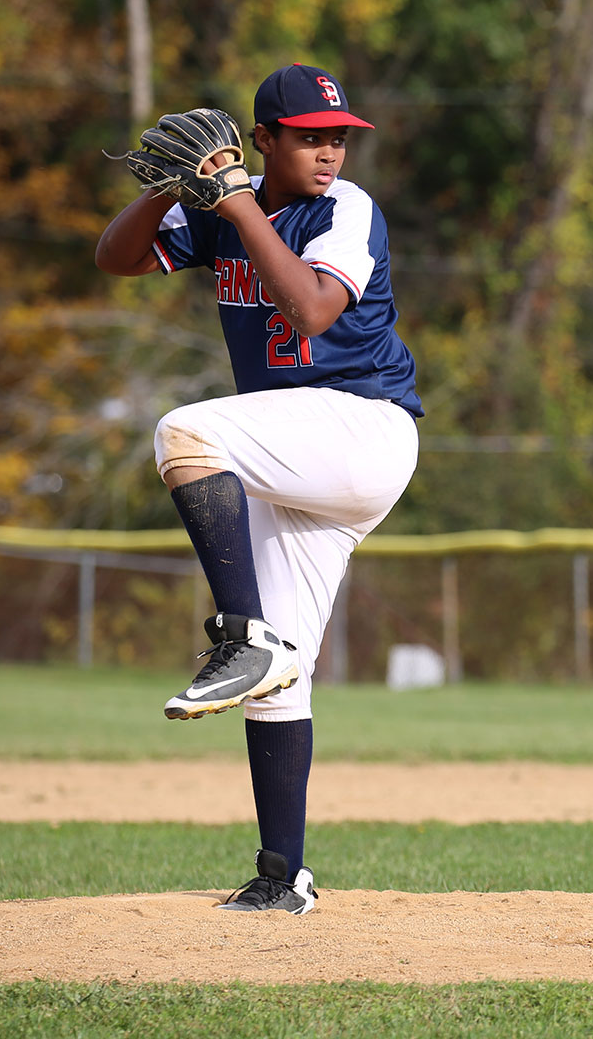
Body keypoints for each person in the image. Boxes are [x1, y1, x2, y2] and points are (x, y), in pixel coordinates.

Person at [93, 63, 421, 914]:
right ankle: (284, 876)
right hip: (299, 450)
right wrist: (167, 192)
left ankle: (241, 636)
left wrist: (238, 202)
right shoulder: (222, 211)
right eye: (310, 135)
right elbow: (114, 258)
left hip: (362, 427)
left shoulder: (344, 211)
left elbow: (312, 310)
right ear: (264, 139)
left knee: (185, 431)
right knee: (282, 681)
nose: (329, 151)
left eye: (339, 136)